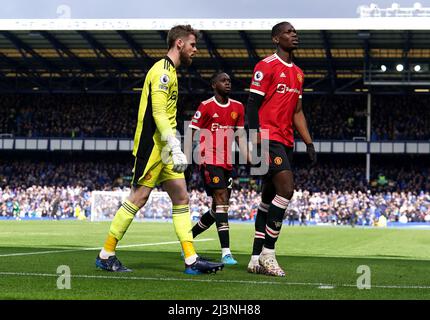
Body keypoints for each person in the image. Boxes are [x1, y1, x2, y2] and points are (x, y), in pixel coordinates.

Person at [95, 25, 224, 275]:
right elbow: (158, 113)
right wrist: (175, 146)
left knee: (182, 197)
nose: (195, 50)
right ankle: (106, 254)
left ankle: (191, 260)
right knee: (139, 197)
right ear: (179, 43)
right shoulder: (162, 71)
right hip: (153, 146)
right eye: (192, 45)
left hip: (165, 146)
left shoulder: (172, 73)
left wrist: (173, 145)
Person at [246, 22, 317, 277]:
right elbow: (252, 103)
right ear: (276, 38)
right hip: (267, 138)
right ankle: (268, 253)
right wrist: (254, 138)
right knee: (286, 189)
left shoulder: (298, 73)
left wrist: (308, 142)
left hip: (286, 141)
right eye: (288, 31)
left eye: (295, 31)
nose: (294, 34)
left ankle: (254, 258)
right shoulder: (265, 66)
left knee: (267, 199)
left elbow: (297, 112)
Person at [185, 72, 247, 265]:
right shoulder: (205, 106)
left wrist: (249, 157)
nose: (227, 83)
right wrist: (186, 160)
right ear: (214, 84)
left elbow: (240, 136)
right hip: (209, 159)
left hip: (227, 162)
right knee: (221, 200)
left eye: (229, 81)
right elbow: (191, 132)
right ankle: (226, 253)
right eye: (223, 80)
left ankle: (187, 240)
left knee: (217, 208)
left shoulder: (238, 107)